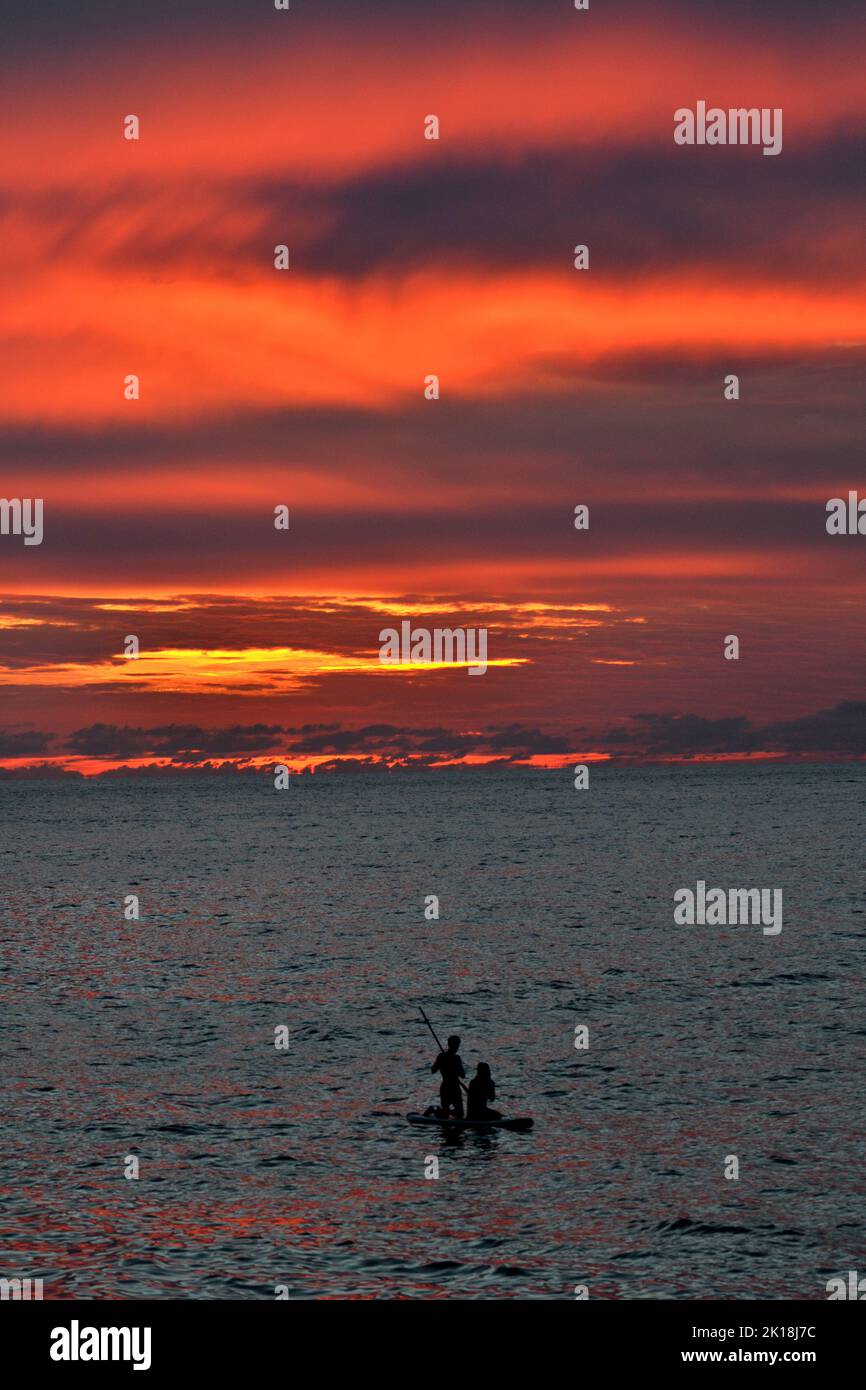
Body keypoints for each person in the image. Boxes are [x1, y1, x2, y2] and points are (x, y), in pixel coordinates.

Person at [432, 1035, 465, 1118]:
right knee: (445, 1116)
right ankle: (434, 1110)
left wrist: (455, 1068)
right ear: (451, 1045)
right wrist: (441, 1062)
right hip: (446, 1087)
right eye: (456, 1045)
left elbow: (463, 1075)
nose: (457, 1047)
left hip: (456, 1088)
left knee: (460, 1114)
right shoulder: (442, 1056)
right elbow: (433, 1070)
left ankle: (441, 1110)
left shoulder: (457, 1058)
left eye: (458, 1045)